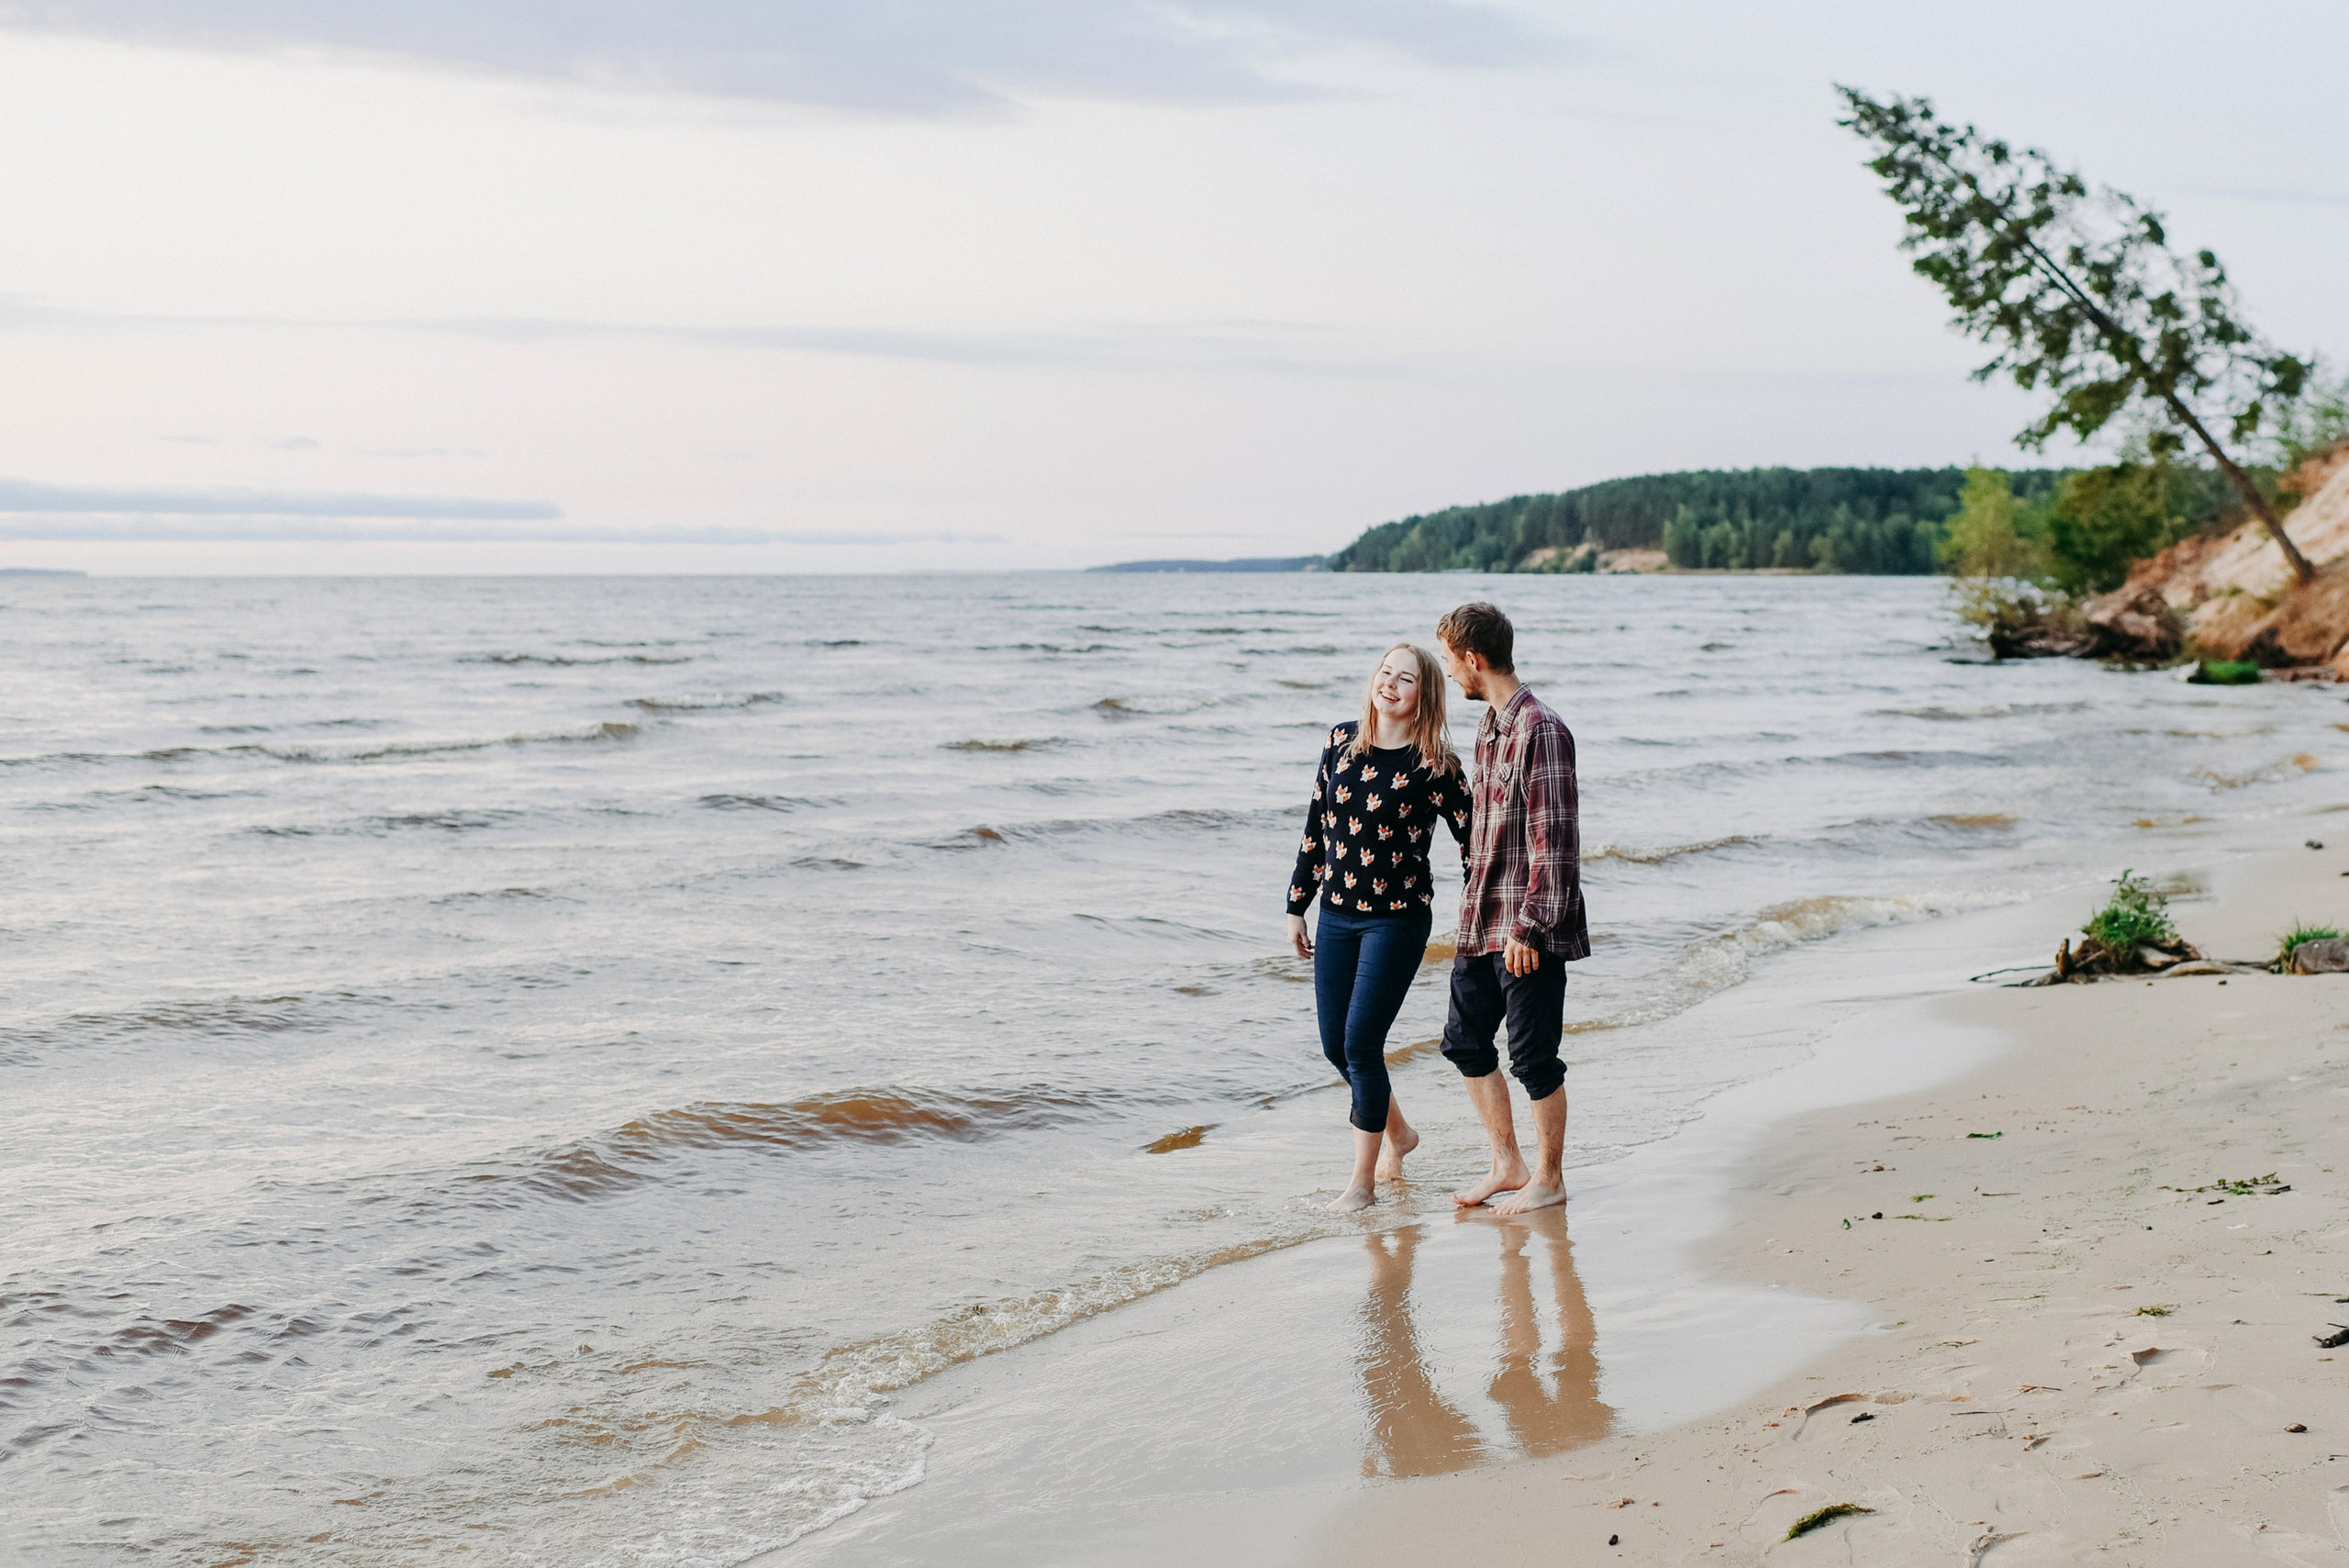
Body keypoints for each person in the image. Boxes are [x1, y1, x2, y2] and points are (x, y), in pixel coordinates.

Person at [1286, 643, 1472, 1211]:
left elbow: (1476, 843)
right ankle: (1400, 1135)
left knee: (1361, 1043)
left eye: (1407, 679)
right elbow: (1318, 827)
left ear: (1425, 696)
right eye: (1386, 672)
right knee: (1334, 1047)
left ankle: (1362, 1185)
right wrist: (1298, 904)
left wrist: (1485, 909)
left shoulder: (1435, 764)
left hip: (1396, 920)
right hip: (1337, 915)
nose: (1390, 684)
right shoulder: (1340, 742)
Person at [1433, 602, 1588, 1215]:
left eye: (1448, 660)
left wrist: (1531, 927)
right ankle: (1508, 1164)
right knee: (1464, 1041)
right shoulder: (1489, 728)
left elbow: (1557, 842)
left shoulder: (1540, 728)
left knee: (1532, 1056)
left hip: (1529, 928)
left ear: (1473, 658)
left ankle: (1549, 1177)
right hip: (1482, 921)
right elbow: (1485, 833)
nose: (1448, 673)